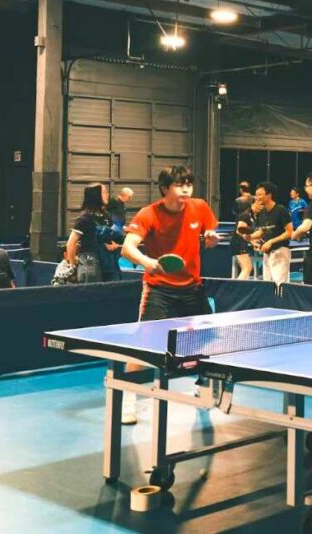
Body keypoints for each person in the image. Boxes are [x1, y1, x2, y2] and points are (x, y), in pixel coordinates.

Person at [121, 165, 220, 424]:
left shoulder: (199, 207)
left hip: (192, 289)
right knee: (145, 346)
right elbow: (127, 248)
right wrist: (147, 261)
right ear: (165, 188)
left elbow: (209, 235)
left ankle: (204, 388)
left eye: (189, 183)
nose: (186, 188)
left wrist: (211, 239)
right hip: (159, 289)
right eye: (179, 184)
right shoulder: (149, 214)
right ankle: (128, 400)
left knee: (206, 344)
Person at [66, 183, 121, 283]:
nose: (107, 195)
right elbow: (70, 243)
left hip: (107, 263)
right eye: (104, 192)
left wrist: (113, 245)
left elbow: (111, 238)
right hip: (90, 265)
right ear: (96, 196)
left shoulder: (107, 216)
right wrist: (73, 265)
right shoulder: (84, 219)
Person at [253, 182, 293, 284]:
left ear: (269, 195)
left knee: (279, 286)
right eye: (256, 194)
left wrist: (271, 241)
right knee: (268, 286)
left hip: (280, 252)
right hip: (267, 254)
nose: (257, 197)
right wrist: (253, 239)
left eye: (260, 194)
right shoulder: (261, 213)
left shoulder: (281, 210)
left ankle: (280, 300)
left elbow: (289, 232)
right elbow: (262, 231)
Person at [230, 189, 264, 279]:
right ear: (253, 203)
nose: (262, 206)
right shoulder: (246, 215)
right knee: (247, 268)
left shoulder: (255, 216)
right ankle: (236, 289)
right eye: (260, 204)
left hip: (244, 243)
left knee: (248, 268)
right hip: (238, 243)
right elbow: (239, 230)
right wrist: (252, 242)